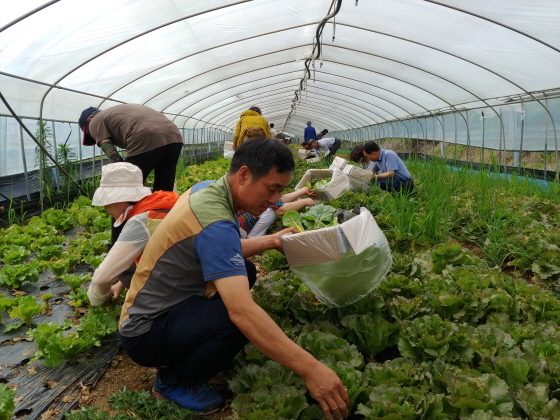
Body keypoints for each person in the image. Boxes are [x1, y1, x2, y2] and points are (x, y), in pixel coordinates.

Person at [118, 138, 349, 419]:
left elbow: (220, 248)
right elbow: (242, 311)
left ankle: (192, 351)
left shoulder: (208, 189)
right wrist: (312, 370)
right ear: (244, 175)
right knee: (238, 319)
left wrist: (271, 241)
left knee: (246, 272)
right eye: (272, 189)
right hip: (146, 333)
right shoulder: (216, 222)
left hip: (159, 310)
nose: (275, 200)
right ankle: (174, 382)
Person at [87, 162, 179, 307]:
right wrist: (122, 283)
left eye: (107, 201)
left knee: (131, 326)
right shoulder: (163, 203)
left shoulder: (141, 220)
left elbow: (101, 278)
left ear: (120, 198)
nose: (105, 207)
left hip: (179, 291)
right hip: (194, 273)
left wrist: (98, 301)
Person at [79, 104, 183, 192]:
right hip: (174, 135)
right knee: (164, 184)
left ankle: (123, 216)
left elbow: (112, 154)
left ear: (89, 120)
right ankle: (163, 213)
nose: (93, 136)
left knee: (128, 185)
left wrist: (124, 173)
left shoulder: (94, 121)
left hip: (147, 135)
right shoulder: (114, 112)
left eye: (88, 133)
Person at [237, 187, 317, 238]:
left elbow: (281, 200)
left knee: (272, 207)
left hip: (241, 228)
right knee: (271, 209)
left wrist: (303, 191)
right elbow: (280, 209)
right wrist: (304, 202)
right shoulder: (262, 188)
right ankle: (251, 242)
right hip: (241, 231)